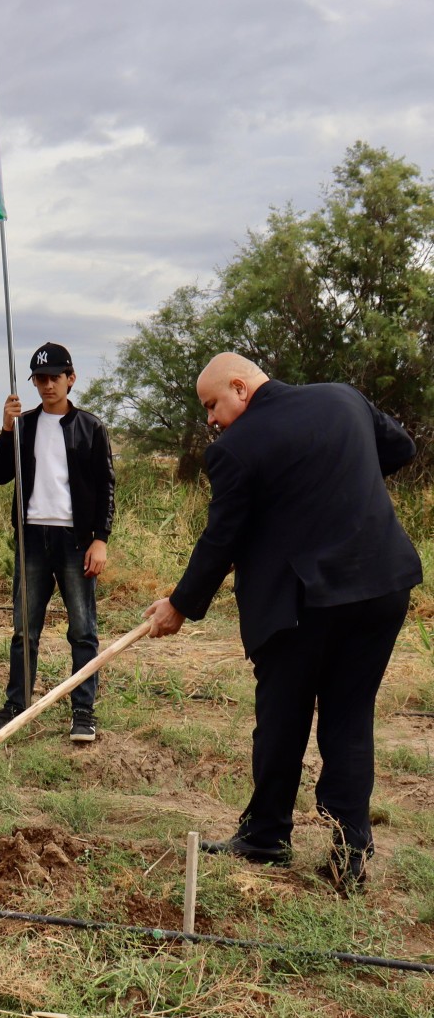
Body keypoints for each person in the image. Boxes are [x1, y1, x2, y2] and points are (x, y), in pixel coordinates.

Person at [145, 353, 421, 894]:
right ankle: (350, 854)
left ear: (240, 387)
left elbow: (220, 539)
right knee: (348, 716)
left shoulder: (237, 450)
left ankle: (266, 837)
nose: (211, 421)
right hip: (384, 586)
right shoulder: (343, 397)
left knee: (282, 717)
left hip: (307, 605)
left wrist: (178, 604)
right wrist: (339, 481)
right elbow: (402, 448)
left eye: (212, 405)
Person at [0, 342, 114, 743]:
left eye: (53, 378)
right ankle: (17, 704)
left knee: (82, 629)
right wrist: (6, 430)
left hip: (75, 540)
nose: (46, 386)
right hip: (31, 537)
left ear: (70, 378)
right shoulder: (23, 425)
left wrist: (101, 540)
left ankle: (83, 712)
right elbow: (0, 474)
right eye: (39, 379)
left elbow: (106, 487)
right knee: (24, 629)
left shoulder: (91, 427)